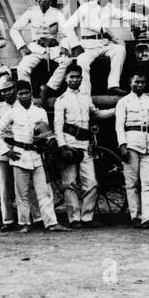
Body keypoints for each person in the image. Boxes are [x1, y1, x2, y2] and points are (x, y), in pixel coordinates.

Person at [56, 0, 149, 94]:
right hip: (88, 46)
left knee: (119, 50)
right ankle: (85, 95)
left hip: (103, 44)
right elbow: (68, 26)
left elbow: (126, 15)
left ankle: (113, 85)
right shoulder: (86, 7)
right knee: (82, 62)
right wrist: (75, 45)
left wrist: (146, 18)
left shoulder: (110, 8)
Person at [0, 82, 68, 234]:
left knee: (44, 191)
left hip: (37, 155)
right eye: (20, 94)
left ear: (31, 93)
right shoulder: (12, 113)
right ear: (17, 95)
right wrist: (6, 151)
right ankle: (24, 222)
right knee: (21, 193)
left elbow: (45, 134)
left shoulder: (40, 112)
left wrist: (46, 145)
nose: (24, 96)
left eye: (26, 93)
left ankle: (51, 222)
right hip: (19, 155)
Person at [53, 65, 99, 227]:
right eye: (71, 77)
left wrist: (118, 109)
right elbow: (58, 127)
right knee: (70, 182)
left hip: (85, 145)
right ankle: (74, 218)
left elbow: (96, 113)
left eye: (78, 77)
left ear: (81, 78)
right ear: (66, 78)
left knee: (91, 182)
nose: (75, 79)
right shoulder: (61, 101)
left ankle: (87, 217)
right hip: (70, 146)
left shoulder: (86, 98)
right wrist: (63, 147)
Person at [115, 71, 149, 228]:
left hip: (148, 143)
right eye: (137, 82)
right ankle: (135, 215)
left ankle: (148, 218)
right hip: (130, 143)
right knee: (132, 183)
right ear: (130, 83)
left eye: (142, 82)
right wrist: (122, 145)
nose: (140, 85)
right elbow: (119, 126)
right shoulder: (124, 102)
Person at [10, 0, 67, 95]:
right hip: (36, 49)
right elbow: (14, 30)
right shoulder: (31, 12)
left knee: (67, 61)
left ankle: (49, 88)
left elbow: (67, 33)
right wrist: (22, 47)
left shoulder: (57, 13)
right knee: (22, 68)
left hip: (54, 49)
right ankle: (26, 95)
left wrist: (64, 47)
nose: (42, 0)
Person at [0, 73, 19, 230]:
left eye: (9, 89)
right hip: (4, 150)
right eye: (3, 91)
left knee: (24, 186)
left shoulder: (23, 106)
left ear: (14, 89)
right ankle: (8, 220)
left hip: (21, 149)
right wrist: (3, 150)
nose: (7, 93)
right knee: (5, 187)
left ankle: (27, 217)